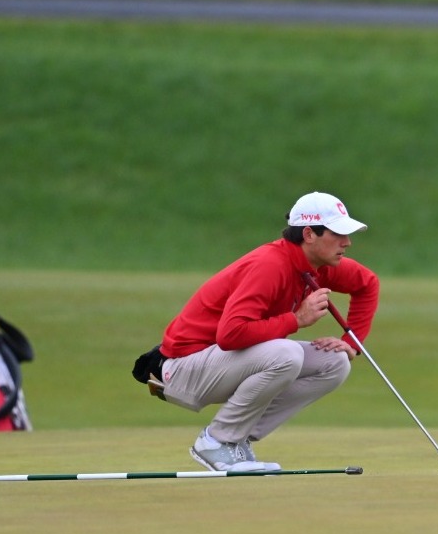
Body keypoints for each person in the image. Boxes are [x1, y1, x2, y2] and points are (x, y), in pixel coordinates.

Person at [135, 192, 379, 472]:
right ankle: (217, 441)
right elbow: (231, 334)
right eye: (338, 234)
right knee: (286, 354)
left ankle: (236, 442)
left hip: (220, 365)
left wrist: (350, 343)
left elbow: (367, 284)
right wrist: (296, 319)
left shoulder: (318, 265)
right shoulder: (270, 265)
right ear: (309, 234)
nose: (347, 242)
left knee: (334, 363)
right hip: (180, 370)